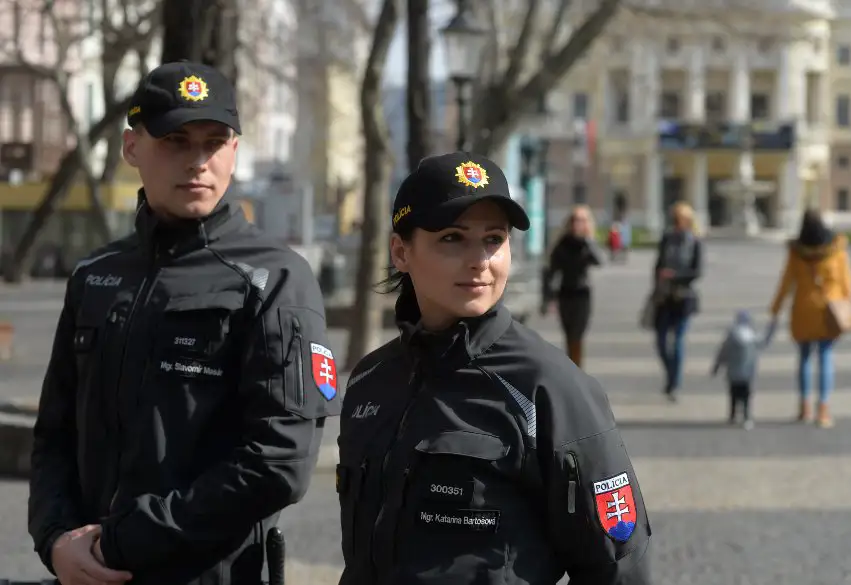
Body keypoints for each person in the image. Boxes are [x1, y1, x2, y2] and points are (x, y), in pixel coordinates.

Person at [28, 61, 341, 585]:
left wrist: (124, 541)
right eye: (176, 141)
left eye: (214, 143)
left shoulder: (274, 279)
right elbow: (54, 435)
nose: (198, 162)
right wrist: (56, 538)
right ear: (132, 149)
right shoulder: (95, 276)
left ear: (234, 152)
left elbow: (278, 461)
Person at [336, 153, 652, 585]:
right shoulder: (370, 381)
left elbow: (619, 568)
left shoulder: (550, 387)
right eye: (452, 238)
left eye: (493, 239)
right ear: (401, 252)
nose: (479, 260)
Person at [768, 209, 851, 428]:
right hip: (829, 311)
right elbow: (846, 283)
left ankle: (804, 406)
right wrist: (848, 307)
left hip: (803, 310)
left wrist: (775, 309)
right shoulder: (836, 250)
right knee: (825, 357)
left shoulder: (797, 251)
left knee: (804, 358)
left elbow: (786, 283)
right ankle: (823, 409)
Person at [651, 201, 703, 401]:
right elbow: (658, 264)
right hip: (664, 297)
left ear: (688, 221)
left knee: (678, 341)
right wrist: (656, 285)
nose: (676, 223)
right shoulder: (667, 239)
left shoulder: (695, 242)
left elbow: (697, 272)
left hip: (684, 298)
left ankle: (675, 383)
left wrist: (674, 275)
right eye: (674, 219)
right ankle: (670, 374)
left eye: (679, 219)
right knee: (661, 341)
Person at [541, 205, 604, 367]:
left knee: (577, 335)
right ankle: (573, 369)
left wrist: (588, 240)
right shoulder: (563, 243)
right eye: (575, 220)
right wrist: (547, 298)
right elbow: (550, 270)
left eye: (582, 220)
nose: (578, 224)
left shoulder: (587, 243)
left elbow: (599, 261)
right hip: (565, 293)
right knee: (569, 335)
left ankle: (576, 370)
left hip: (583, 294)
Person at [711, 310, 765, 430]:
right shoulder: (752, 337)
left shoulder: (731, 336)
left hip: (733, 374)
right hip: (747, 374)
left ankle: (732, 415)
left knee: (733, 395)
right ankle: (746, 416)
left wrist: (716, 367)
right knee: (746, 396)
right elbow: (763, 343)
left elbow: (722, 353)